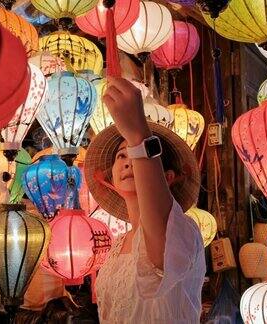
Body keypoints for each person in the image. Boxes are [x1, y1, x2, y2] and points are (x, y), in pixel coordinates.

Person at [84, 77, 206, 323]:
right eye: (121, 155)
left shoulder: (182, 230)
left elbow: (158, 266)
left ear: (167, 177)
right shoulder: (118, 244)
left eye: (135, 154)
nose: (129, 161)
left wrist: (139, 136)